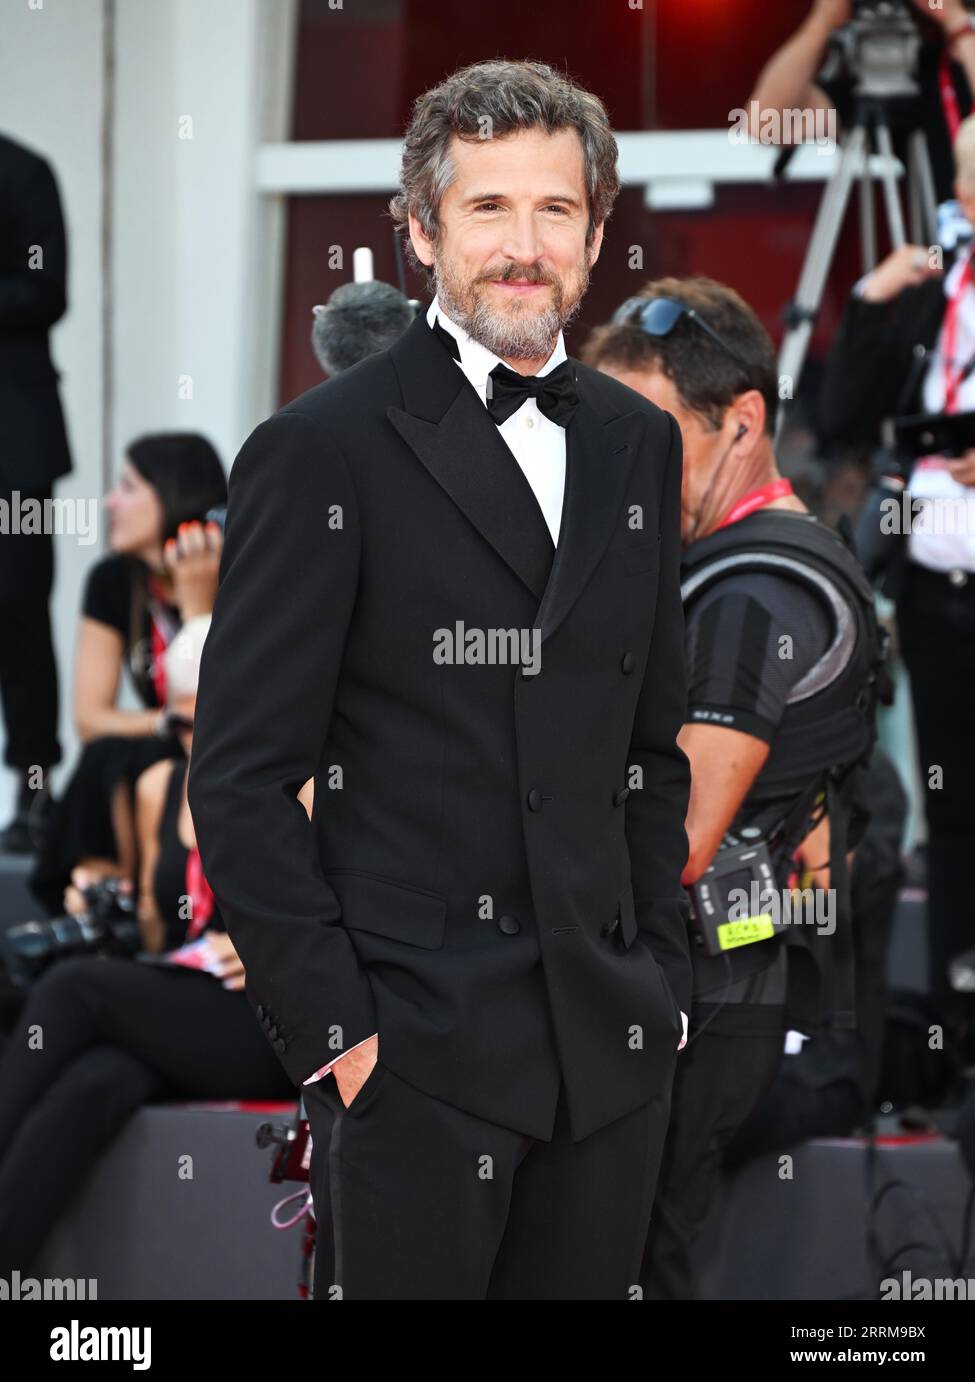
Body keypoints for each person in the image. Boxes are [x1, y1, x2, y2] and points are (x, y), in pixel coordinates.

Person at [188, 57, 692, 1301]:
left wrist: (662, 986)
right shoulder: (321, 450)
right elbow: (244, 778)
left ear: (595, 232)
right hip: (415, 1058)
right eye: (487, 209)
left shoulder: (639, 443)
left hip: (610, 1052)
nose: (525, 247)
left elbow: (651, 745)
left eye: (556, 210)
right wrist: (339, 1036)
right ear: (419, 232)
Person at [582, 275, 886, 1299]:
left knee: (632, 1256)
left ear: (742, 422)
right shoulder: (741, 568)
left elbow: (678, 843)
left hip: (710, 993)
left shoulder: (755, 594)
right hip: (719, 981)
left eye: (648, 432)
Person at [0, 615, 296, 1273]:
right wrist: (101, 895)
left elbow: (353, 917)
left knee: (75, 990)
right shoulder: (156, 787)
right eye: (176, 726)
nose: (189, 740)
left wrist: (275, 948)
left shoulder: (300, 788)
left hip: (271, 1022)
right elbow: (164, 936)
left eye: (202, 723)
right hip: (187, 1005)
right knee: (98, 1082)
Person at [820, 112, 975, 1038]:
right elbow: (844, 416)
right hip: (934, 587)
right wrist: (872, 306)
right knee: (952, 816)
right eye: (968, 180)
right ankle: (961, 1037)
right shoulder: (930, 281)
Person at [29, 434, 226, 915]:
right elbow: (91, 718)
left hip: (224, 747)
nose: (109, 501)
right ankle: (97, 894)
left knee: (125, 761)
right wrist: (170, 721)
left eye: (128, 487)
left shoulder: (237, 569)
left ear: (173, 492)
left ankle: (123, 904)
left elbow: (222, 709)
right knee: (108, 754)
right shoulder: (114, 581)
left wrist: (200, 606)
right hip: (164, 740)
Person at [0, 134, 73, 853]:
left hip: (11, 442)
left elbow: (45, 291)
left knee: (17, 614)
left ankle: (35, 792)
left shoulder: (21, 171)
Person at [748, 0, 975, 204]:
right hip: (937, 251)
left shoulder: (950, 66)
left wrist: (957, 22)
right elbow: (766, 123)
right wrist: (823, 22)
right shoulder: (915, 73)